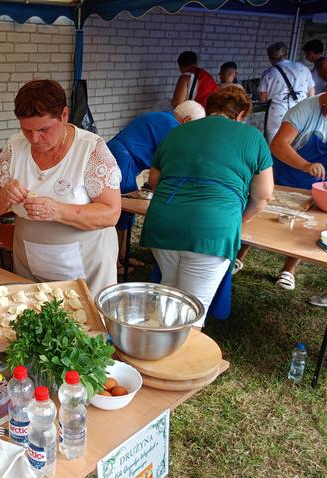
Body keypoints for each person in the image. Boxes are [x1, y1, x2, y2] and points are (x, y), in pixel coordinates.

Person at [140, 86, 274, 327]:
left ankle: (152, 349)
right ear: (241, 114)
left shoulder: (178, 132)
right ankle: (180, 360)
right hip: (212, 227)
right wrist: (238, 219)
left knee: (168, 293)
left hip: (163, 222)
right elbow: (263, 194)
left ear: (209, 108)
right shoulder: (253, 137)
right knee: (192, 311)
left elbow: (154, 180)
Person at [0, 79, 122, 295]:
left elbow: (111, 213)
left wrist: (57, 210)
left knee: (85, 321)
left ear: (64, 115)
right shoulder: (15, 146)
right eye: (26, 130)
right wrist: (5, 194)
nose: (34, 139)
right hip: (30, 257)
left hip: (86, 263)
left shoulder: (91, 149)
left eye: (43, 129)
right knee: (34, 316)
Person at [234, 92, 327, 290]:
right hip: (285, 171)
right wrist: (305, 165)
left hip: (317, 182)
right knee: (259, 212)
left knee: (305, 225)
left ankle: (288, 270)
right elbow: (278, 145)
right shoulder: (305, 110)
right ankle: (238, 257)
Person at [107, 101, 206, 272]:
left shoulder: (162, 117)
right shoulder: (173, 128)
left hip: (121, 156)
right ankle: (114, 263)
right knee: (120, 212)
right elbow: (172, 161)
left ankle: (122, 255)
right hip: (121, 159)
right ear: (187, 120)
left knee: (126, 214)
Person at [259, 42, 315, 143]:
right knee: (296, 143)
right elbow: (311, 95)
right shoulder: (303, 68)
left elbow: (263, 98)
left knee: (274, 143)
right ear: (285, 54)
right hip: (300, 112)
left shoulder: (269, 73)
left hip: (277, 113)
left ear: (270, 58)